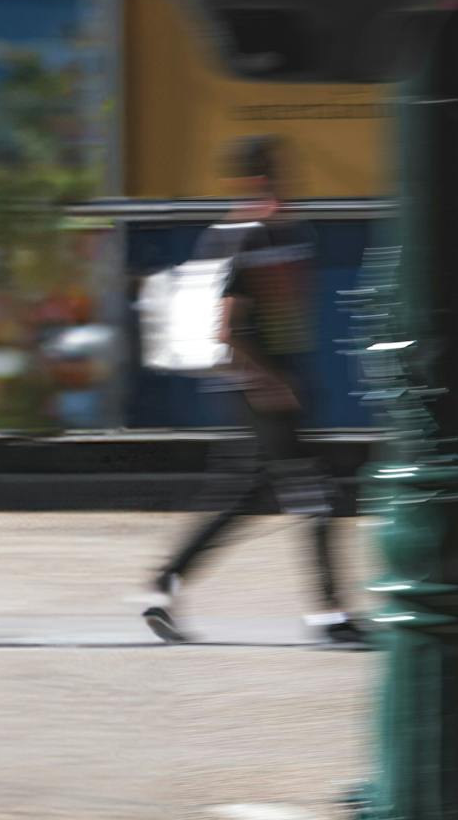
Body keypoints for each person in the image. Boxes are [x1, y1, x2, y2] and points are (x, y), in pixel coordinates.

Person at [141, 137, 368, 649]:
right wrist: (270, 382)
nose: (279, 184)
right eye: (269, 175)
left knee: (245, 496)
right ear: (248, 181)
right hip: (260, 387)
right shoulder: (241, 238)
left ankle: (163, 585)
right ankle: (329, 613)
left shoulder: (284, 233)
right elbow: (224, 330)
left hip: (277, 384)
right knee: (317, 498)